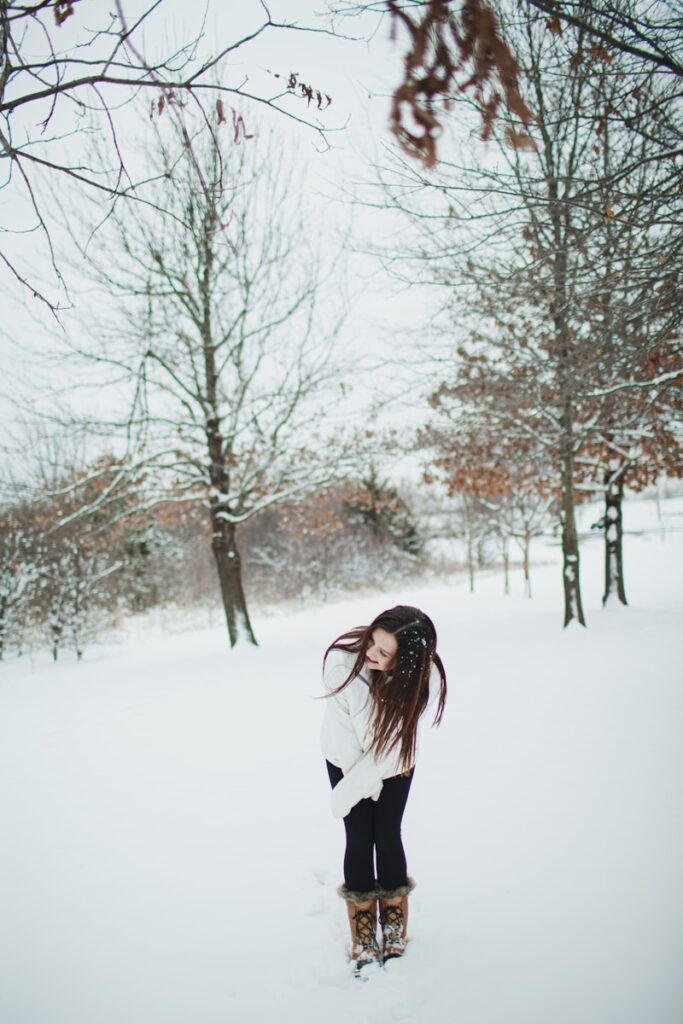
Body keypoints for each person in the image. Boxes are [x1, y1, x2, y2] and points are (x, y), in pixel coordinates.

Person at [321, 605, 447, 971]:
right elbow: (346, 741)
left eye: (384, 652)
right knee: (359, 835)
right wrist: (357, 785)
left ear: (407, 662)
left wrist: (354, 790)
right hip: (345, 757)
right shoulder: (342, 662)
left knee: (388, 834)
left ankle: (393, 917)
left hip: (394, 760)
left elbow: (396, 745)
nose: (371, 653)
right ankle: (362, 927)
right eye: (372, 641)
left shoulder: (427, 679)